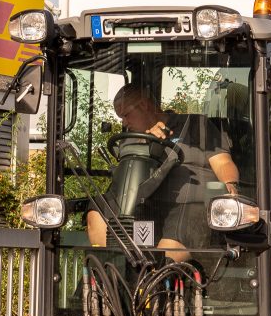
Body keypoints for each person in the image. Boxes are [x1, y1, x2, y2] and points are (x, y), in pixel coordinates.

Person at [87, 85, 240, 262]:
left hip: (191, 204)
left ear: (144, 105)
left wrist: (230, 185)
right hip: (149, 204)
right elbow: (128, 179)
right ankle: (114, 267)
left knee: (169, 246)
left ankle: (159, 276)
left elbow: (223, 163)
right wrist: (144, 141)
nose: (124, 123)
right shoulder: (130, 138)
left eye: (126, 114)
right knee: (98, 208)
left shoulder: (195, 125)